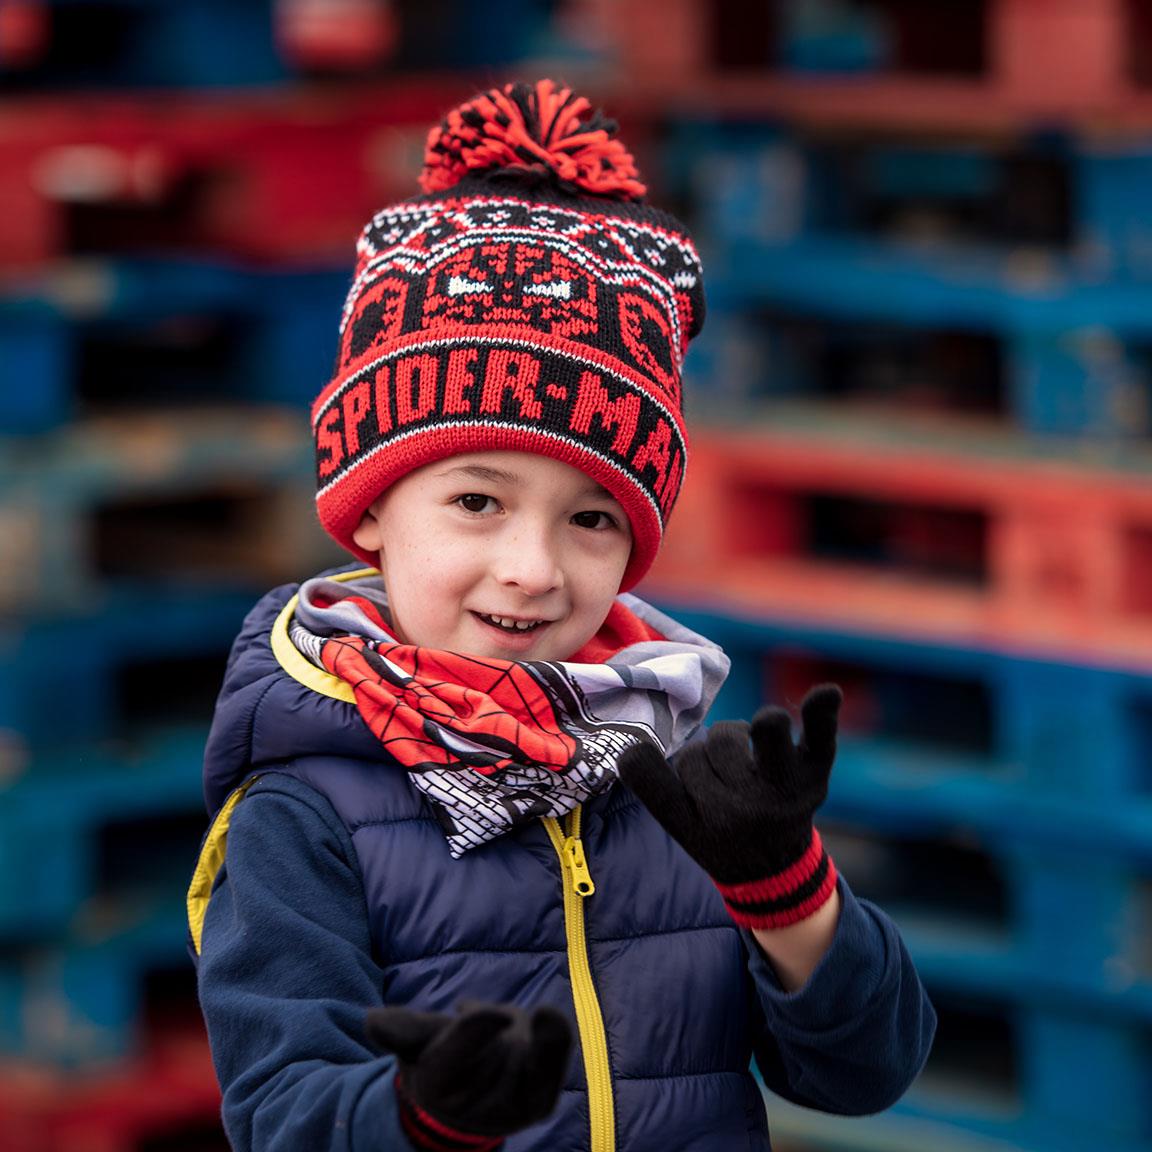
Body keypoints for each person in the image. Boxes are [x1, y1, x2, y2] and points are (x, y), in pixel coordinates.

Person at [187, 79, 935, 1152]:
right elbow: (281, 1114)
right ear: (369, 516)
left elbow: (867, 1072)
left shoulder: (670, 765)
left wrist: (787, 889)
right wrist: (428, 1117)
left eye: (591, 517)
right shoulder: (302, 817)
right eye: (477, 502)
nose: (533, 569)